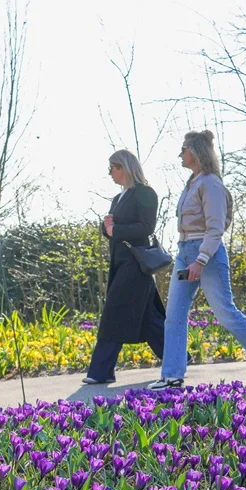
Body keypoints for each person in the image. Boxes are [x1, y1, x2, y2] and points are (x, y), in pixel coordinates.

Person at [150, 130, 246, 390]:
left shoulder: (211, 183)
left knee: (224, 311)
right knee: (173, 315)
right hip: (185, 252)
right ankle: (172, 375)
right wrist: (189, 257)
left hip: (206, 254)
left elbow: (215, 228)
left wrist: (200, 259)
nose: (180, 154)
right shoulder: (192, 183)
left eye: (184, 149)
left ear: (196, 151)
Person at [82, 150, 166, 384]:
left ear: (125, 167)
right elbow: (113, 231)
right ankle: (178, 357)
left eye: (113, 167)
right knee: (148, 318)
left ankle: (100, 371)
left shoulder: (145, 193)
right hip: (120, 264)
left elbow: (146, 227)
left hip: (136, 265)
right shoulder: (118, 198)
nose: (110, 173)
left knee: (114, 313)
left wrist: (115, 230)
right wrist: (106, 227)